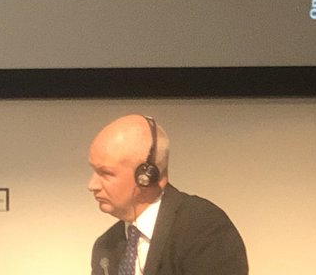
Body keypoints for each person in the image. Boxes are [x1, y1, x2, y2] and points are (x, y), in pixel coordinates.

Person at [87, 114, 248, 275]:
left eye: (105, 173)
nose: (92, 185)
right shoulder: (106, 246)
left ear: (147, 176)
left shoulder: (203, 228)